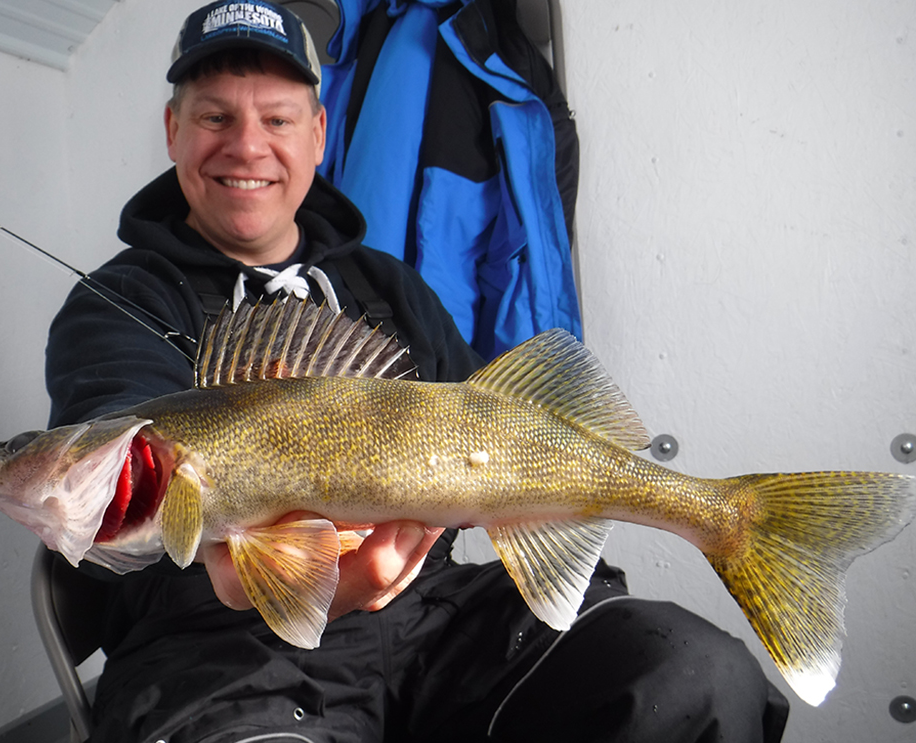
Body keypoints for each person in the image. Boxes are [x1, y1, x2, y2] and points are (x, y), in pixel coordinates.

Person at [45, 2, 790, 741]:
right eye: (215, 118)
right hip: (215, 646)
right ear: (173, 130)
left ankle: (733, 519)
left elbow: (489, 420)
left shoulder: (391, 283)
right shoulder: (115, 302)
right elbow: (116, 467)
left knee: (694, 676)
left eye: (276, 119)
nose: (247, 146)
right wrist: (258, 564)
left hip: (431, 611)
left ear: (317, 134)